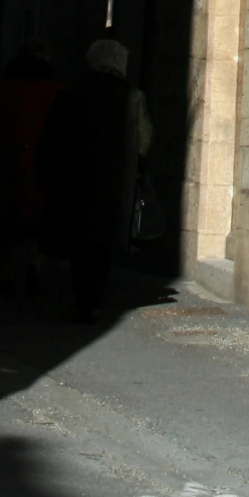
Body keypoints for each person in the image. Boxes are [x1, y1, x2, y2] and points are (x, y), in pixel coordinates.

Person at [38, 36, 152, 320]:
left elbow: (52, 136)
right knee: (102, 241)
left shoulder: (71, 94)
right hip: (114, 179)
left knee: (80, 238)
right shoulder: (132, 96)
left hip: (76, 176)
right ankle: (95, 297)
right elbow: (144, 141)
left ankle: (82, 297)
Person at [0, 41, 62, 293]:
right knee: (36, 221)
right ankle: (34, 266)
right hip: (40, 160)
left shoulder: (4, 86)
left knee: (6, 221)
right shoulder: (54, 88)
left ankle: (6, 272)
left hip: (6, 159)